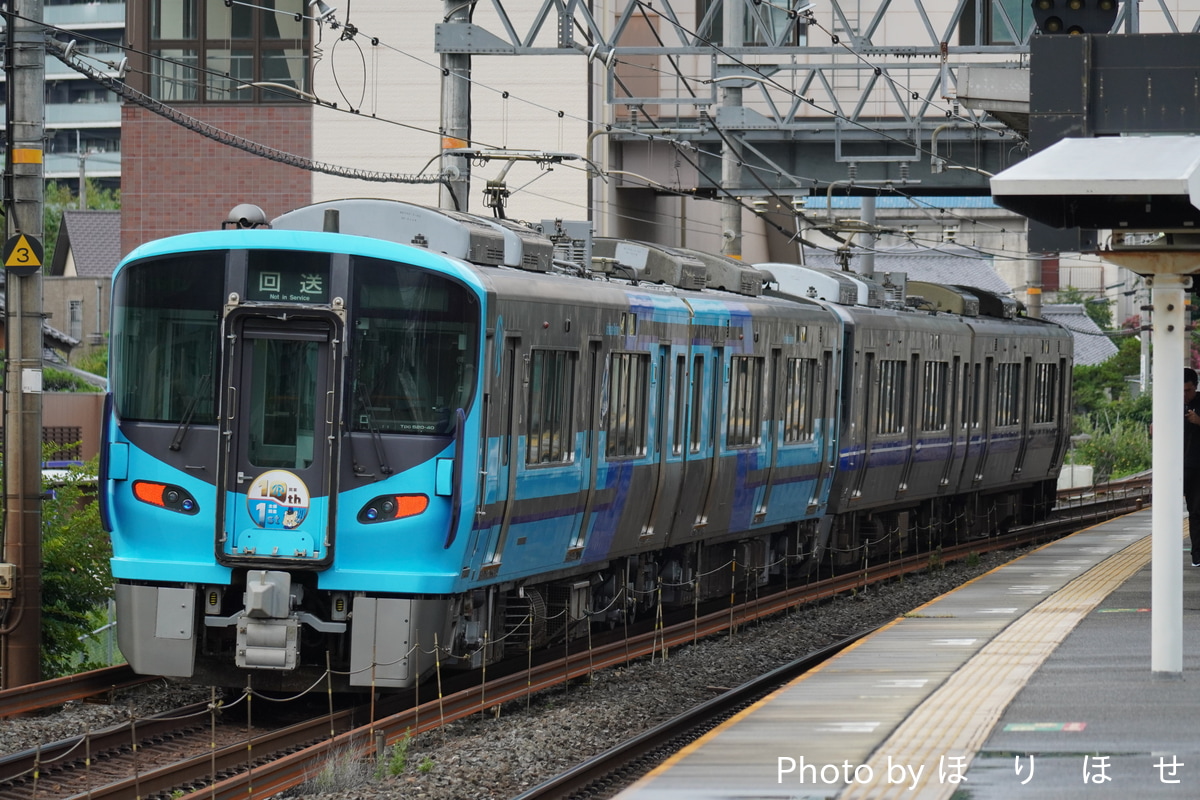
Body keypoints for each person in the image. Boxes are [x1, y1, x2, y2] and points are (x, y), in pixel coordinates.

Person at [1185, 368, 1200, 567]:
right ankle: (1196, 554)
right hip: (1183, 466)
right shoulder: (1171, 403)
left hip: (1198, 466)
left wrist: (1198, 421)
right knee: (1193, 511)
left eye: (1187, 391)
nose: (1184, 395)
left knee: (1197, 511)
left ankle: (1197, 554)